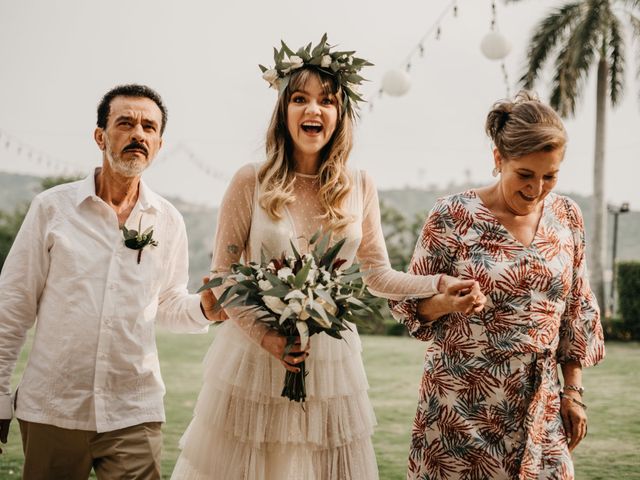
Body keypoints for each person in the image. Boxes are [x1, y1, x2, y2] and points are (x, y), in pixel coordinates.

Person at [171, 35, 483, 480]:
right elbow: (223, 276)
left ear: (340, 115)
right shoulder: (251, 181)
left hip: (330, 360)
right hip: (252, 360)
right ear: (283, 112)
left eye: (327, 101)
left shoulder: (359, 184)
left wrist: (437, 284)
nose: (313, 110)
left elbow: (376, 274)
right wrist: (267, 338)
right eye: (300, 99)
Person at [0, 84, 225, 479]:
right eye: (126, 123)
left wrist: (204, 307)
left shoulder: (168, 220)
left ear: (158, 143)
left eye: (149, 127)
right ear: (100, 136)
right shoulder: (52, 210)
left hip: (133, 411)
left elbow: (168, 304)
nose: (139, 134)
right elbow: (13, 306)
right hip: (54, 408)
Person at [391, 91, 606, 480]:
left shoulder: (568, 216)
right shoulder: (452, 214)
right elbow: (409, 305)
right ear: (498, 160)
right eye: (525, 174)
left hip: (540, 402)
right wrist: (445, 303)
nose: (537, 188)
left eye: (550, 176)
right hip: (460, 403)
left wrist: (573, 392)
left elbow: (577, 309)